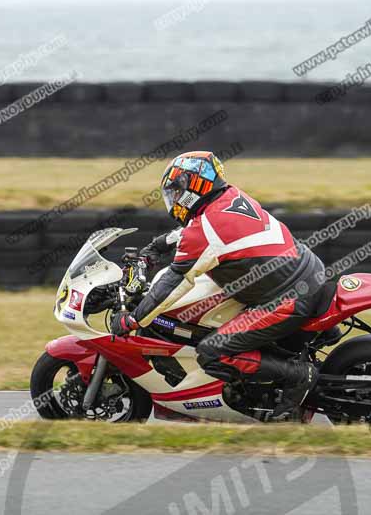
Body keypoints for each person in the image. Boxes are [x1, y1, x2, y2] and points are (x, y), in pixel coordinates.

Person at [109, 151, 327, 417]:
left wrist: (133, 319)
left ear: (194, 186)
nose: (174, 199)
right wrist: (158, 245)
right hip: (307, 274)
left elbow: (173, 282)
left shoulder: (207, 227)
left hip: (287, 299)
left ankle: (297, 376)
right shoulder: (231, 197)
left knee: (213, 351)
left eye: (176, 191)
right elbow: (202, 232)